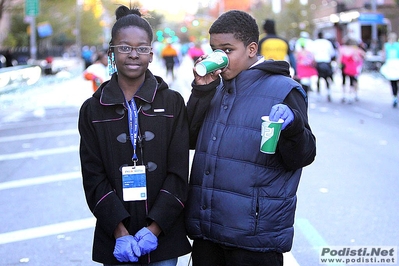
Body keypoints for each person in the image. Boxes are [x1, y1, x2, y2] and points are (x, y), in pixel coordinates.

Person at [185, 10, 316, 266]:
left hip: (253, 238)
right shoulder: (216, 87)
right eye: (214, 50)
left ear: (252, 49)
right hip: (208, 232)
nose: (219, 59)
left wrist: (293, 125)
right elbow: (188, 139)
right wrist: (201, 91)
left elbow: (303, 155)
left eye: (227, 50)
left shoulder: (284, 90)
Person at [78, 5, 191, 266]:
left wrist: (155, 229)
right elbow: (93, 176)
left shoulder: (172, 103)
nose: (133, 55)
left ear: (151, 54)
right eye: (124, 47)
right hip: (115, 237)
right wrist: (120, 232)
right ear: (111, 52)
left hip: (164, 237)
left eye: (141, 48)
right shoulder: (92, 109)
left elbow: (178, 173)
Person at [339, 37, 365, 103]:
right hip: (351, 67)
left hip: (343, 66)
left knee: (344, 81)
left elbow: (339, 58)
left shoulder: (342, 49)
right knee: (352, 81)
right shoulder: (354, 49)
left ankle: (343, 95)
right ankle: (350, 96)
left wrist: (338, 66)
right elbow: (357, 58)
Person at [312, 32, 336, 102]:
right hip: (326, 61)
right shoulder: (327, 43)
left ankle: (318, 94)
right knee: (327, 78)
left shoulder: (315, 43)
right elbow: (332, 53)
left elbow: (312, 53)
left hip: (318, 62)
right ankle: (328, 92)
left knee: (318, 78)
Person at [380, 32, 399, 108]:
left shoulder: (386, 45)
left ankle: (394, 97)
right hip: (397, 63)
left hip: (390, 64)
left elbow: (383, 56)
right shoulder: (397, 45)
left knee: (393, 82)